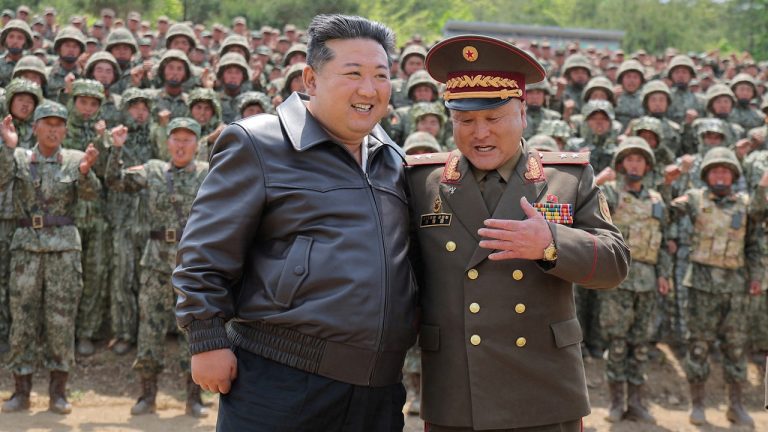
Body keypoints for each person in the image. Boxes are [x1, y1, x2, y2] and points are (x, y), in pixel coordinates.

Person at [173, 14, 416, 431]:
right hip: (281, 380)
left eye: (381, 75)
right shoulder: (259, 142)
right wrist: (205, 337)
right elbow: (204, 250)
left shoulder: (392, 158)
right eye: (353, 73)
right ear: (311, 79)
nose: (368, 89)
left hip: (378, 387)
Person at [407, 34, 629, 432]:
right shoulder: (423, 182)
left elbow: (614, 264)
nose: (479, 133)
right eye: (465, 121)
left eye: (493, 118)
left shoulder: (566, 178)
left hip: (543, 389)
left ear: (523, 114)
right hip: (458, 389)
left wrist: (551, 245)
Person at [0, 101, 101, 414]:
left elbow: (91, 195)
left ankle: (58, 392)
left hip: (63, 250)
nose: (53, 130)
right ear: (35, 128)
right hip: (26, 250)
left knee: (61, 321)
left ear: (66, 130)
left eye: (59, 125)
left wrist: (85, 172)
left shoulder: (73, 159)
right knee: (23, 321)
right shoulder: (19, 157)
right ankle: (21, 391)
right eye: (48, 124)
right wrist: (8, 147)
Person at [107, 117, 209, 417]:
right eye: (176, 139)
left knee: (195, 329)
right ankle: (147, 395)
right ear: (167, 142)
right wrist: (115, 149)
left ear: (197, 144)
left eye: (187, 140)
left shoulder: (208, 173)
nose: (181, 145)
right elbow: (115, 181)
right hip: (155, 264)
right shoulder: (152, 170)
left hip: (194, 264)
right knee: (149, 329)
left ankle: (194, 398)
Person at [671, 147, 765, 427]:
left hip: (735, 289)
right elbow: (667, 212)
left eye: (725, 171)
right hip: (700, 288)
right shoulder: (695, 198)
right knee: (698, 347)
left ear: (734, 175)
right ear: (707, 175)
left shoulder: (746, 204)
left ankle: (735, 406)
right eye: (715, 171)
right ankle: (697, 405)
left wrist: (756, 276)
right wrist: (669, 182)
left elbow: (754, 244)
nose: (721, 175)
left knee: (735, 348)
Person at [598, 138, 671, 424]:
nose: (634, 165)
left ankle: (637, 402)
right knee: (617, 343)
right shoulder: (609, 194)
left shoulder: (656, 200)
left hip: (648, 281)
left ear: (647, 166)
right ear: (620, 164)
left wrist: (663, 274)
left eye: (639, 160)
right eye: (629, 159)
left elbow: (663, 241)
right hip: (618, 278)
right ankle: (616, 402)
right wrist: (598, 181)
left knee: (641, 344)